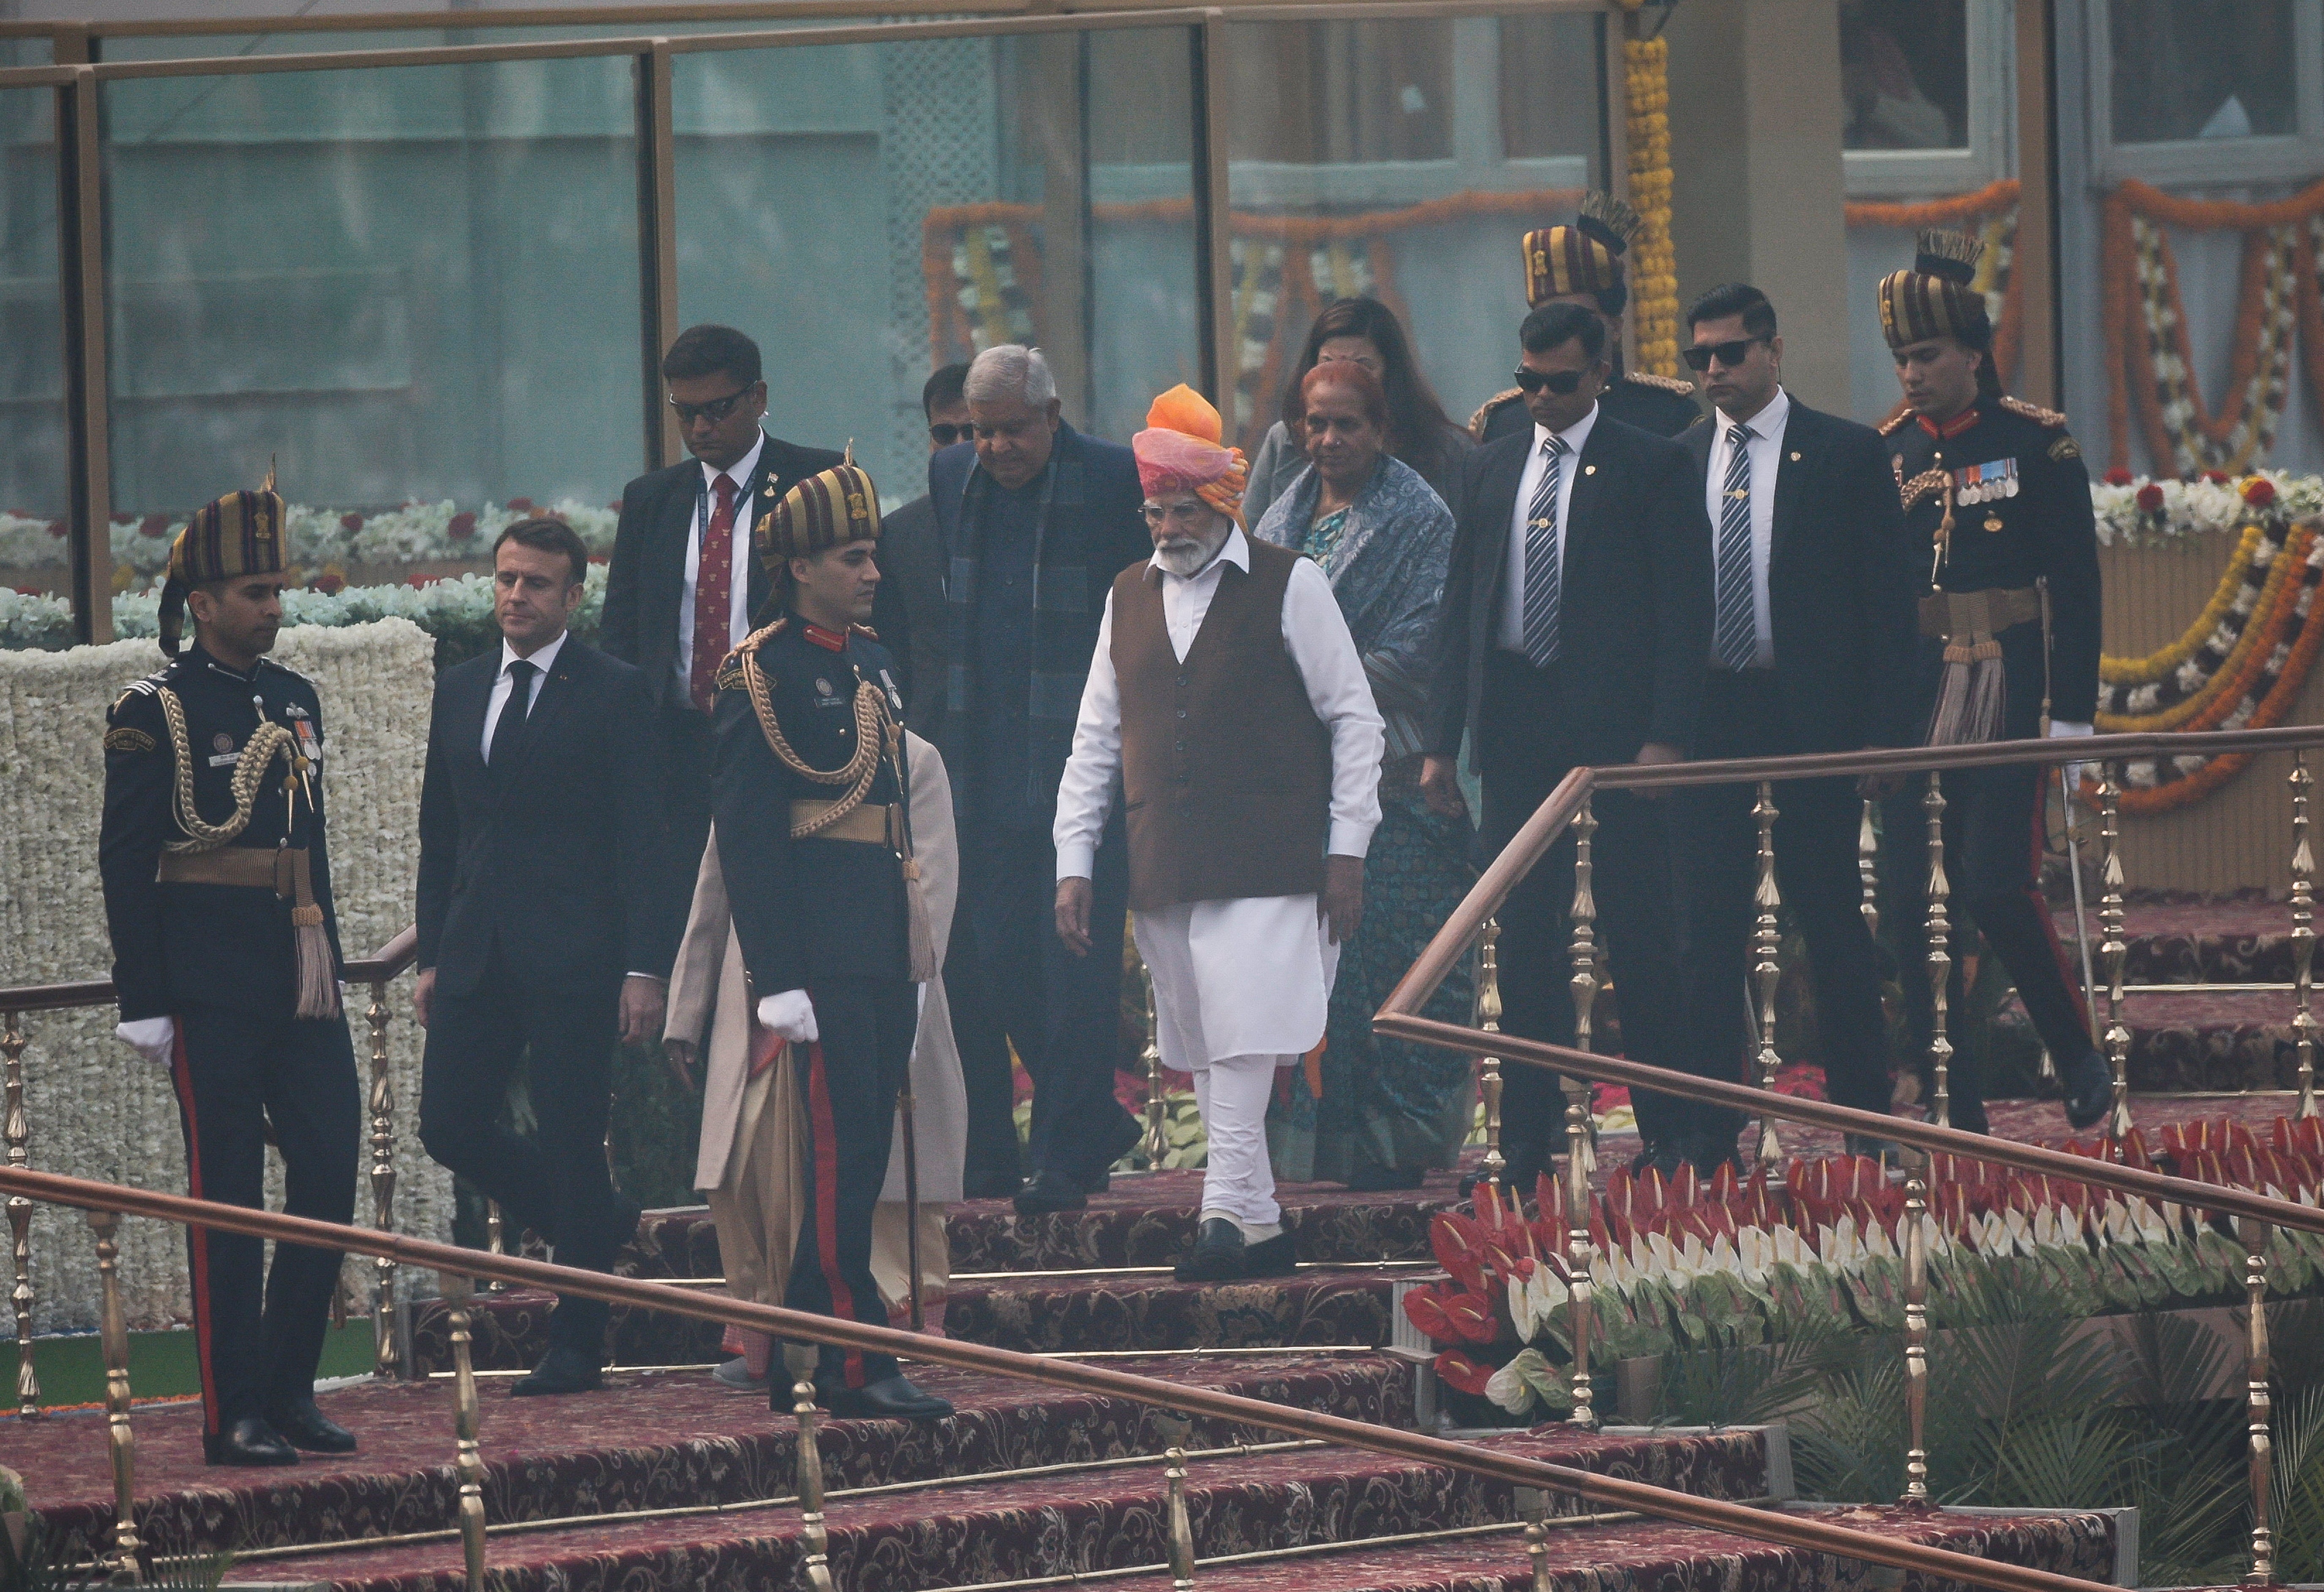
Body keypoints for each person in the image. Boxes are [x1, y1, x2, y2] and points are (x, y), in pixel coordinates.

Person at [1056, 385, 1384, 1281]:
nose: (1165, 527)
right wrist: (1073, 859)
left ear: (1221, 504)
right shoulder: (1126, 595)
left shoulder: (1292, 581)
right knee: (1201, 1040)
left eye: (1181, 510)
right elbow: (1095, 737)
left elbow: (1356, 720)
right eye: (1154, 512)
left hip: (1272, 857)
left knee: (1241, 1032)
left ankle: (1217, 1216)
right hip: (1164, 857)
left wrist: (1347, 847)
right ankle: (1262, 1219)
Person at [1422, 301, 1713, 1194]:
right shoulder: (1491, 463)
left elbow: (1683, 611)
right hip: (1513, 727)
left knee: (1636, 932)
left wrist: (1666, 736)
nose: (1541, 397)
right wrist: (1439, 745)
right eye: (1527, 381)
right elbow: (1459, 605)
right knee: (1520, 940)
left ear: (1599, 373)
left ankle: (1670, 1134)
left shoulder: (1650, 464)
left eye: (1559, 381)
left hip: (1615, 740)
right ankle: (1522, 1147)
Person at [100, 476, 360, 1466]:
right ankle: (233, 1410)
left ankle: (291, 1391)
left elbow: (314, 850)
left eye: (276, 586)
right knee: (229, 1203)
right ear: (201, 604)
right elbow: (127, 861)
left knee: (330, 1175)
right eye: (253, 591)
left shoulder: (293, 700)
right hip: (209, 992)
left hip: (298, 982)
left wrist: (326, 959)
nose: (273, 604)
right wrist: (146, 1002)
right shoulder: (154, 710)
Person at [711, 453, 952, 1422]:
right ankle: (852, 1358)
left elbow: (890, 816)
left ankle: (799, 1356)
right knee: (837, 1160)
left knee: (857, 1155)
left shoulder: (870, 663)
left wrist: (913, 949)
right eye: (854, 558)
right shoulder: (759, 675)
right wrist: (775, 972)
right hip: (816, 957)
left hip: (877, 945)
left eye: (872, 556)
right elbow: (748, 834)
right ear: (801, 565)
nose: (873, 573)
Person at [1664, 284, 1921, 1173]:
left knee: (1833, 923)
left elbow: (1890, 606)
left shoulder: (1845, 453)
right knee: (1705, 930)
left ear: (1772, 351)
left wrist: (1887, 732)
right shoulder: (1680, 456)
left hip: (1812, 713)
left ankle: (1866, 1121)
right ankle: (1708, 1129)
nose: (1711, 372)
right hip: (1710, 715)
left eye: (1728, 354)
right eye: (1698, 357)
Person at [414, 516, 671, 1396]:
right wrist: (430, 953)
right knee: (446, 1120)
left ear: (573, 594)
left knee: (570, 1139)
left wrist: (646, 964)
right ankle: (594, 1224)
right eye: (506, 578)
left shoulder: (614, 689)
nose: (515, 594)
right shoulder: (459, 686)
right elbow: (439, 833)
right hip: (476, 949)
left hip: (578, 955)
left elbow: (646, 837)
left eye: (535, 582)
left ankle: (576, 1343)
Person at [1874, 229, 2111, 1135]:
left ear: (1972, 353)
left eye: (1926, 354)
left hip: (2008, 686)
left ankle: (2075, 1049)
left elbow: (2076, 588)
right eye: (1900, 356)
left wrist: (2073, 720)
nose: (1911, 373)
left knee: (1990, 882)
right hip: (1915, 693)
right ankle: (1948, 1089)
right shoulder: (1887, 453)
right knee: (1905, 898)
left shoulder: (2036, 445)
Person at [664, 702, 965, 1392]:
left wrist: (907, 1009)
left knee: (872, 1173)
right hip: (761, 997)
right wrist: (687, 1008)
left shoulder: (911, 758)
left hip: (879, 989)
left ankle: (879, 1324)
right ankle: (773, 1331)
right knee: (751, 1169)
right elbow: (719, 883)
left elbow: (934, 892)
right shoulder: (757, 753)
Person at [929, 345, 1151, 1214]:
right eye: (981, 431)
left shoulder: (1110, 479)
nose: (994, 447)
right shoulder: (955, 478)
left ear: (1053, 416)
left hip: (1085, 763)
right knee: (995, 955)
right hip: (982, 764)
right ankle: (1090, 1118)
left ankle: (1062, 1156)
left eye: (1013, 429)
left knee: (1077, 967)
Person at [1253, 362, 1470, 1190]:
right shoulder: (1283, 510)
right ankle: (1325, 1155)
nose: (1328, 439)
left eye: (1346, 424)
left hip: (1394, 781)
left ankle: (1398, 1148)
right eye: (1315, 423)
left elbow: (1420, 646)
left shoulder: (1418, 517)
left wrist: (1315, 683)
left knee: (1393, 968)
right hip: (1299, 783)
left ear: (1380, 428)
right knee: (1317, 974)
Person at [600, 325, 846, 935]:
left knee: (777, 913)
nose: (701, 428)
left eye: (718, 409)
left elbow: (857, 609)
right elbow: (623, 636)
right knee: (683, 920)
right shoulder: (653, 499)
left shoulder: (814, 483)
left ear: (757, 397)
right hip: (678, 746)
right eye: (686, 414)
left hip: (785, 736)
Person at [1470, 192, 1701, 445]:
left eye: (1576, 316)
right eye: (1545, 316)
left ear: (1614, 327)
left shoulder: (1667, 415)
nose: (1559, 329)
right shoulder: (1502, 423)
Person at [1242, 297, 1472, 530]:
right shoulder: (1285, 440)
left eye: (1362, 368)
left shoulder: (1447, 450)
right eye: (1327, 365)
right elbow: (1249, 543)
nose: (1342, 380)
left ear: (1392, 373)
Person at [873, 361, 970, 734]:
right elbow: (893, 649)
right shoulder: (897, 535)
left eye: (972, 431)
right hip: (929, 737)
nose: (959, 447)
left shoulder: (1033, 524)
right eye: (945, 434)